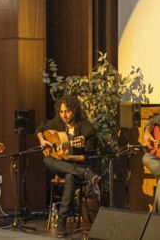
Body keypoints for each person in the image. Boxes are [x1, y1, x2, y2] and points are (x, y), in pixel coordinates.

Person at [37, 96, 101, 238]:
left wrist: (69, 157)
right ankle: (85, 174)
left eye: (67, 112)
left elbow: (87, 157)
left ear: (75, 110)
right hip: (60, 166)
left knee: (71, 176)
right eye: (61, 111)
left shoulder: (87, 129)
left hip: (77, 165)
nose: (64, 115)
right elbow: (40, 128)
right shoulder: (58, 122)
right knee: (47, 160)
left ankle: (61, 222)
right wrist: (42, 140)